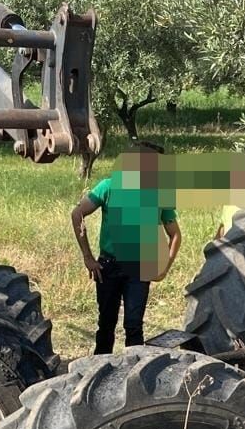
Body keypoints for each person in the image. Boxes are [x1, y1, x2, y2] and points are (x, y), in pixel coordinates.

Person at [70, 142, 182, 354]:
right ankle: (98, 370)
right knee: (106, 324)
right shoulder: (109, 186)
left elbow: (175, 234)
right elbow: (77, 214)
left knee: (133, 326)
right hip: (108, 266)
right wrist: (88, 257)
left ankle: (134, 376)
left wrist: (164, 268)